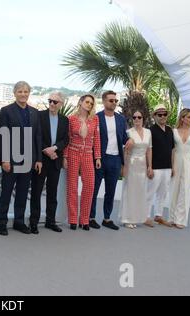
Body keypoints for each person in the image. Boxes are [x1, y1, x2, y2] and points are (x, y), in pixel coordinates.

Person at [0, 81, 42, 236]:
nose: (23, 94)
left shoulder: (35, 112)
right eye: (20, 91)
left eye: (26, 91)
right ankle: (1, 222)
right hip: (11, 159)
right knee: (6, 192)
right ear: (14, 93)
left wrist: (39, 159)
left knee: (22, 192)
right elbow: (2, 136)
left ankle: (19, 222)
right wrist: (4, 159)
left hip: (29, 159)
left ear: (29, 93)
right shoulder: (6, 111)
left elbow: (38, 136)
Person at [90, 91, 131, 230]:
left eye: (115, 101)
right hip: (99, 159)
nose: (114, 103)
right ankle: (91, 217)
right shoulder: (96, 118)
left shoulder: (121, 119)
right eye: (111, 100)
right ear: (104, 101)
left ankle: (107, 219)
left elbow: (124, 138)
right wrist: (95, 157)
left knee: (111, 191)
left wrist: (130, 140)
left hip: (115, 159)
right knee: (94, 189)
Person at [29, 92, 69, 234]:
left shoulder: (65, 120)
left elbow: (65, 140)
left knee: (52, 193)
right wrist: (46, 150)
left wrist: (55, 148)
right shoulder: (39, 116)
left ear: (61, 104)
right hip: (41, 160)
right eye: (50, 101)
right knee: (36, 192)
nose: (52, 104)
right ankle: (33, 222)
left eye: (55, 102)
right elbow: (34, 137)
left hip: (55, 160)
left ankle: (50, 221)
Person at [63, 95, 101, 231]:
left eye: (91, 103)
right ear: (80, 102)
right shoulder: (71, 119)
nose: (89, 105)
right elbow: (67, 139)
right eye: (87, 102)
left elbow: (97, 139)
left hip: (88, 155)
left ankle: (84, 220)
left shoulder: (95, 119)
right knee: (72, 186)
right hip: (73, 152)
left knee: (90, 185)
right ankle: (73, 219)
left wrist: (98, 157)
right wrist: (65, 157)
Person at [119, 111, 152, 228]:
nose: (137, 119)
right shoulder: (129, 133)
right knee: (130, 190)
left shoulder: (148, 132)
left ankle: (137, 217)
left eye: (139, 117)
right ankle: (127, 219)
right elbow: (125, 151)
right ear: (132, 119)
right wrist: (124, 167)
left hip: (143, 165)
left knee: (140, 191)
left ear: (143, 118)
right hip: (131, 164)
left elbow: (149, 150)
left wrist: (150, 166)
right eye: (134, 117)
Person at [145, 104, 174, 227]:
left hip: (167, 167)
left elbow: (172, 149)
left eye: (164, 114)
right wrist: (149, 167)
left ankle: (158, 215)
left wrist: (172, 167)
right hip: (155, 167)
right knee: (150, 193)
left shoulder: (169, 130)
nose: (162, 116)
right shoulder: (150, 131)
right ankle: (145, 216)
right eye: (159, 114)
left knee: (163, 193)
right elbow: (148, 150)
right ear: (154, 116)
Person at [169, 109, 190, 229]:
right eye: (189, 117)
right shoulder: (174, 131)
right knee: (174, 189)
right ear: (182, 118)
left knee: (185, 190)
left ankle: (181, 219)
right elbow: (172, 149)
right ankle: (172, 217)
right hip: (176, 160)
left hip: (188, 161)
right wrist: (171, 166)